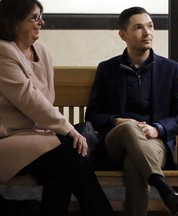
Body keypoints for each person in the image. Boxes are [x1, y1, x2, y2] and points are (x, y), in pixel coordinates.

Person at [0, 0, 115, 216]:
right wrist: (68, 129)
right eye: (34, 17)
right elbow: (30, 99)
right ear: (14, 21)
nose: (41, 22)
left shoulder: (42, 52)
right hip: (7, 141)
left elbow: (46, 99)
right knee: (68, 152)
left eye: (41, 15)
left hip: (38, 139)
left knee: (63, 168)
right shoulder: (2, 52)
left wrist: (63, 130)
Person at [85, 6, 178, 216]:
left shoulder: (170, 69)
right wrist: (117, 121)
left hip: (154, 143)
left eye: (150, 26)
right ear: (123, 35)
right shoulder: (107, 69)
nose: (147, 32)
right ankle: (163, 187)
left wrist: (157, 129)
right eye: (139, 28)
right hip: (115, 143)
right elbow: (93, 116)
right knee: (129, 128)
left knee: (134, 164)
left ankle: (160, 186)